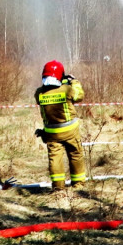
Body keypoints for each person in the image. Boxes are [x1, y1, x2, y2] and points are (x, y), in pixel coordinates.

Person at [34, 60, 87, 192]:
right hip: (70, 131)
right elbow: (79, 96)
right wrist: (73, 81)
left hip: (52, 133)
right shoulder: (67, 90)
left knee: (55, 159)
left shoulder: (39, 93)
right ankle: (78, 184)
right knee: (75, 155)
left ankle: (58, 188)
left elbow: (50, 91)